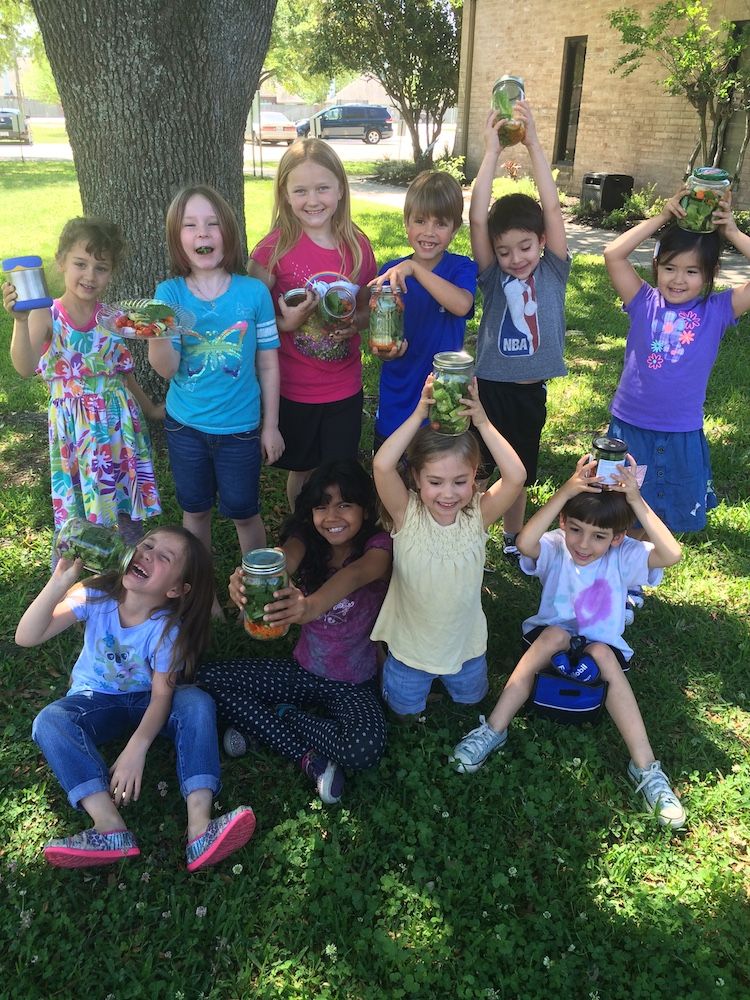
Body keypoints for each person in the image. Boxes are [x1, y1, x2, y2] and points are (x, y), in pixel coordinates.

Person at [450, 455, 687, 829]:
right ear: (563, 523)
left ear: (618, 537)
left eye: (598, 536)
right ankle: (493, 728)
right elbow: (526, 543)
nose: (584, 544)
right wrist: (568, 490)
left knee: (602, 653)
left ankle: (646, 768)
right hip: (549, 644)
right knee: (555, 633)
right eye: (575, 529)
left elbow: (672, 554)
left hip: (598, 649)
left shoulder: (623, 556)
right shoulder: (557, 546)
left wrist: (636, 500)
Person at [16, 526, 256, 870]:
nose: (146, 555)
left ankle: (200, 827)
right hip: (94, 701)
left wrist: (136, 748)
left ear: (176, 589)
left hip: (147, 701)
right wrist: (59, 582)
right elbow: (27, 636)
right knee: (49, 721)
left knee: (197, 703)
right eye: (146, 545)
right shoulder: (94, 597)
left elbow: (161, 697)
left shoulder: (166, 629)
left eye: (164, 557)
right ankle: (109, 826)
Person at [198, 460, 392, 805]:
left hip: (354, 683)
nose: (332, 516)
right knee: (203, 679)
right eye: (321, 506)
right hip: (301, 671)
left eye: (345, 504)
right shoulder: (307, 539)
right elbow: (284, 558)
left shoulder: (378, 547)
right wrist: (251, 578)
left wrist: (308, 607)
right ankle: (306, 753)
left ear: (365, 508)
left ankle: (281, 716)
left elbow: (358, 575)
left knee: (363, 750)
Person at [603, 188, 750, 613]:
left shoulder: (719, 310)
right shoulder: (643, 300)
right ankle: (621, 577)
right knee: (621, 509)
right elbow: (614, 254)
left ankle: (637, 578)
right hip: (629, 428)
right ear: (655, 266)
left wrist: (733, 231)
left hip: (680, 432)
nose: (678, 279)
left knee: (657, 510)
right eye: (669, 268)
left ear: (711, 274)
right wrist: (661, 219)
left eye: (691, 271)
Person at [147, 184, 284, 615]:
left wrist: (271, 425)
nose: (201, 232)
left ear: (226, 233)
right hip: (185, 426)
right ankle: (203, 595)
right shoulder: (168, 294)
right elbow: (167, 369)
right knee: (196, 514)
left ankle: (256, 593)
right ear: (178, 237)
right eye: (190, 225)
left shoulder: (252, 294)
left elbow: (268, 365)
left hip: (241, 428)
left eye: (211, 223)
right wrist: (156, 335)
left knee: (244, 513)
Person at [2, 217, 162, 552]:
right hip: (76, 431)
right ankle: (75, 577)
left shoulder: (111, 318)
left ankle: (129, 565)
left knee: (123, 504)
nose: (90, 275)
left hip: (118, 427)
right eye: (80, 264)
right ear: (60, 262)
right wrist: (19, 320)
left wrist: (150, 409)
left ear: (111, 273)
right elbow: (24, 365)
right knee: (80, 513)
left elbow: (123, 372)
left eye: (101, 267)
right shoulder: (47, 314)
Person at [371, 376, 526, 719]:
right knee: (403, 712)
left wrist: (483, 422)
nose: (448, 493)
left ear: (474, 478)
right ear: (415, 479)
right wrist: (417, 416)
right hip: (410, 651)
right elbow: (381, 466)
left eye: (460, 481)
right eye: (435, 482)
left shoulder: (478, 515)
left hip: (465, 647)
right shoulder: (406, 513)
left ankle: (453, 686)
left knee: (471, 702)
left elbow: (516, 476)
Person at [248, 139, 377, 508]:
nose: (313, 200)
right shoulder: (271, 250)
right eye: (300, 190)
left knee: (338, 472)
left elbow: (367, 309)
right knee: (302, 471)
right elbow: (251, 319)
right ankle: (299, 530)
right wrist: (285, 325)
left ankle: (335, 537)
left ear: (340, 189)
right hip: (293, 388)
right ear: (285, 195)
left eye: (323, 188)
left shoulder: (358, 246)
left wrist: (357, 323)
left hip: (344, 386)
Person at [469, 100, 571, 560]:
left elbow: (549, 204)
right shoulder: (494, 276)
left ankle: (512, 539)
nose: (516, 258)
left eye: (525, 246)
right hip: (489, 387)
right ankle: (470, 533)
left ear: (543, 242)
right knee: (479, 470)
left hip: (530, 392)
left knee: (522, 470)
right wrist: (490, 152)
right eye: (505, 250)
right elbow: (477, 219)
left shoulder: (553, 270)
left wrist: (534, 148)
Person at [368, 170, 477, 453]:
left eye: (440, 224)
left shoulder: (460, 267)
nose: (429, 232)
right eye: (419, 221)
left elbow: (462, 304)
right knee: (390, 471)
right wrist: (382, 351)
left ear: (454, 229)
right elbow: (379, 332)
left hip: (444, 398)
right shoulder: (390, 273)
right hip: (398, 392)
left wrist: (414, 269)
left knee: (437, 477)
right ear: (406, 224)